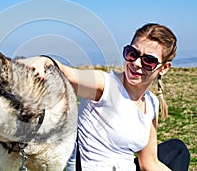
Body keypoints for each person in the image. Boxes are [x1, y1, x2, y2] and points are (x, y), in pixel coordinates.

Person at [21, 23, 190, 170]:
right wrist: (43, 60)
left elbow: (149, 162)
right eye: (132, 53)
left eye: (148, 61)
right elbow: (65, 73)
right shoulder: (104, 85)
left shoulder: (152, 103)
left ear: (164, 68)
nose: (136, 63)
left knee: (177, 149)